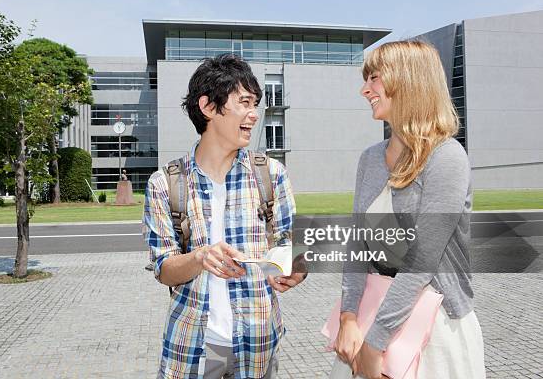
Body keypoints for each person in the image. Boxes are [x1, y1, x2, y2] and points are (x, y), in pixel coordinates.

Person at [144, 53, 306, 378]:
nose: (254, 114)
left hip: (257, 343)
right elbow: (164, 270)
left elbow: (294, 250)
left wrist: (293, 270)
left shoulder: (271, 175)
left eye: (255, 103)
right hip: (197, 347)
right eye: (244, 102)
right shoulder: (166, 183)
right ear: (208, 107)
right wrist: (200, 257)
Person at [332, 41, 485, 379]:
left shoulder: (447, 157)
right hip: (372, 319)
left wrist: (376, 341)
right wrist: (348, 318)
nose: (364, 89)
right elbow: (357, 247)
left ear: (409, 80)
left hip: (435, 331)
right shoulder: (370, 159)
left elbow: (422, 261)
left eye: (374, 78)